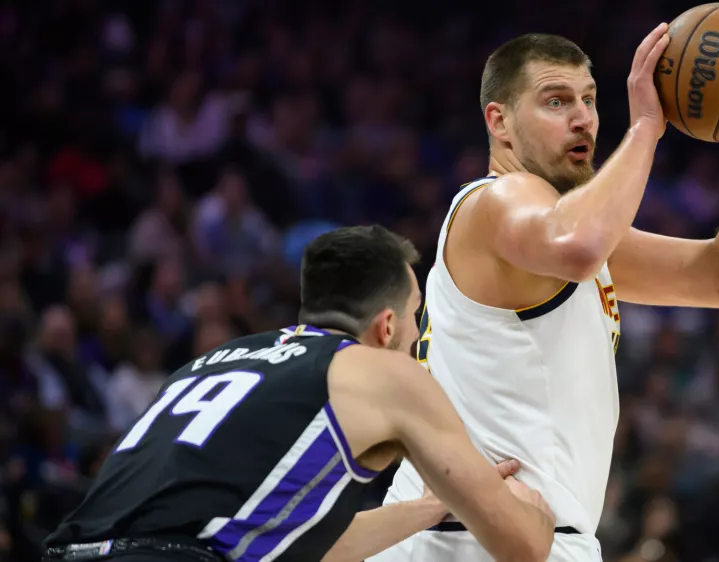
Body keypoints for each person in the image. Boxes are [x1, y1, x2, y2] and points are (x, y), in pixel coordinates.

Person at [371, 21, 719, 562]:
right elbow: (579, 245)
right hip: (465, 540)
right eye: (556, 102)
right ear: (499, 121)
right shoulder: (496, 202)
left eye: (589, 99)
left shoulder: (562, 235)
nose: (582, 118)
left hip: (535, 538)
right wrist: (646, 126)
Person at [43, 225, 555, 562]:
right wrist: (542, 512)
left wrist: (429, 507)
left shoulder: (214, 360)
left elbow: (301, 545)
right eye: (415, 313)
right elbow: (522, 546)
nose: (417, 330)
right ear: (386, 325)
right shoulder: (381, 372)